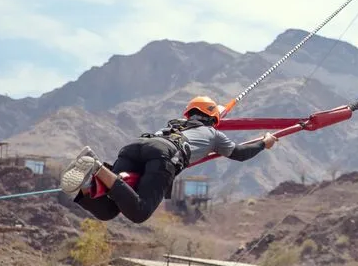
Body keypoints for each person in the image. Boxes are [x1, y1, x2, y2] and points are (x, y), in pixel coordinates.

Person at [60, 95, 278, 224]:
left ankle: (86, 189)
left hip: (135, 147)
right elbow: (239, 154)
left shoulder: (173, 125)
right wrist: (264, 143)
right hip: (163, 155)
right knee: (139, 212)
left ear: (190, 113)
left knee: (109, 210)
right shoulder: (214, 134)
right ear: (214, 119)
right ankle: (97, 168)